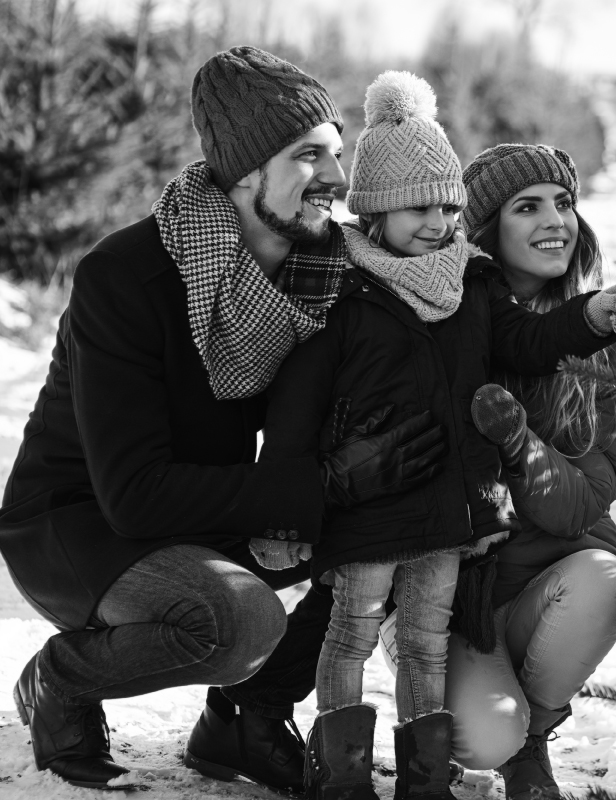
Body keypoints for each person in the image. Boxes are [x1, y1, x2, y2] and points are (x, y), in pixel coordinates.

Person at [0, 48, 447, 792]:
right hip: (82, 526)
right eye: (309, 156)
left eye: (336, 153)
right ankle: (63, 680)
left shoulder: (322, 270)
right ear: (244, 172)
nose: (336, 180)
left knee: (393, 528)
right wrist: (328, 484)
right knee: (237, 621)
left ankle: (246, 721)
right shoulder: (128, 275)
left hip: (212, 506)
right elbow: (135, 494)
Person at [253, 74, 616, 800]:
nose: (438, 222)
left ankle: (444, 770)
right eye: (420, 206)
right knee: (351, 627)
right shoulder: (354, 292)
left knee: (429, 647)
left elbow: (537, 343)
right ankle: (338, 772)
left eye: (448, 206)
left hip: (456, 525)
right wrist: (292, 508)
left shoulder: (472, 291)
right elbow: (298, 407)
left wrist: (595, 318)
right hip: (382, 518)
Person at [438, 143, 616, 800]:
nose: (554, 220)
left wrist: (516, 438)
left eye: (563, 203)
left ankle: (532, 742)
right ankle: (488, 721)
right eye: (527, 207)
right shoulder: (447, 330)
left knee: (606, 581)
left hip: (555, 581)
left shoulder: (614, 350)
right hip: (457, 596)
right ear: (486, 232)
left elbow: (577, 506)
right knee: (483, 737)